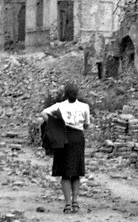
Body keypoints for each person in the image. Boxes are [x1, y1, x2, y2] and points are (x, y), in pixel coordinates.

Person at [40, 82, 91, 214]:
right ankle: (75, 202)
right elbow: (86, 125)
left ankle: (67, 204)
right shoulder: (84, 106)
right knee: (76, 171)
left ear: (65, 94)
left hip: (63, 137)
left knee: (65, 172)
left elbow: (44, 113)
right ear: (77, 94)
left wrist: (54, 124)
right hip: (78, 138)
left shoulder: (59, 106)